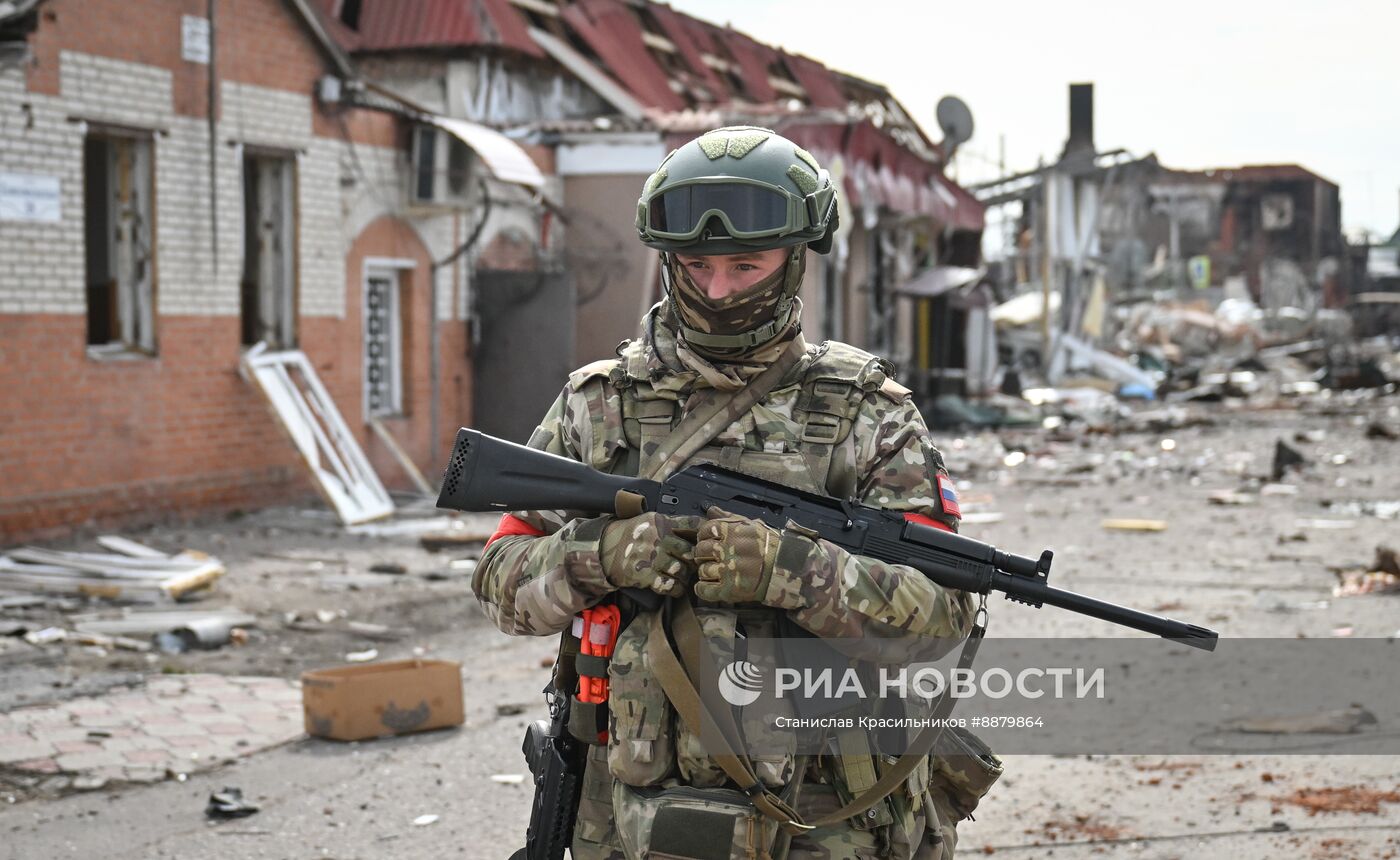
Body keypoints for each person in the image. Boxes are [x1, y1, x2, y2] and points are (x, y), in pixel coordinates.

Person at [473, 126, 1001, 860]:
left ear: (794, 262)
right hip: (633, 812)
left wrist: (795, 572)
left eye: (745, 265)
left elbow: (940, 622)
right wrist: (602, 554)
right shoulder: (599, 406)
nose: (718, 290)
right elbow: (500, 580)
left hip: (830, 818)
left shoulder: (868, 415)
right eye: (696, 264)